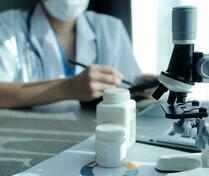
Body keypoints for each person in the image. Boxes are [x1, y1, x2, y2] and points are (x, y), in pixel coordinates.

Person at [0, 0, 145, 108]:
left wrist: (142, 90)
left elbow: (130, 91)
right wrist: (68, 88)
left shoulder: (111, 29)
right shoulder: (7, 26)